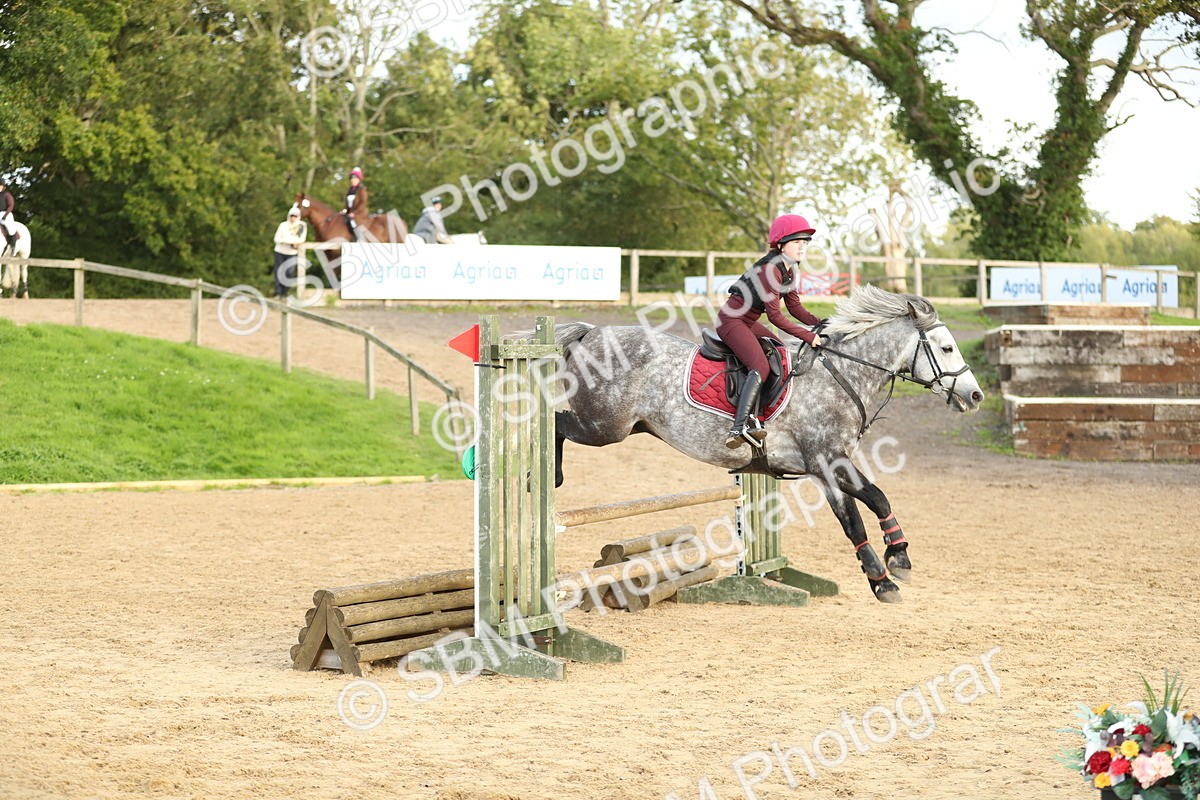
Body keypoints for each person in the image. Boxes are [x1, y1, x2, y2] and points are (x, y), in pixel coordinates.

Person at [716, 213, 825, 449]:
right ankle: (740, 426)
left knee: (780, 352)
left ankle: (759, 414)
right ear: (781, 244)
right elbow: (775, 316)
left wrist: (821, 323)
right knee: (760, 366)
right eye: (797, 242)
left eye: (805, 242)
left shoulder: (788, 270)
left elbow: (795, 307)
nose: (802, 247)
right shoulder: (770, 270)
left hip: (748, 321)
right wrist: (808, 336)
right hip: (732, 321)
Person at [272, 206, 307, 301]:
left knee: (290, 273)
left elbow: (301, 239)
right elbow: (277, 238)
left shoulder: (301, 226)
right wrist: (286, 241)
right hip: (280, 251)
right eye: (291, 216)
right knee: (278, 271)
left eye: (295, 216)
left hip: (292, 252)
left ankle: (284, 293)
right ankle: (277, 292)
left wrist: (292, 242)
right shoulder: (283, 225)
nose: (293, 218)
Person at [342, 167, 368, 242]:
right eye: (352, 178)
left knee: (352, 221)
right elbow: (348, 204)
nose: (353, 180)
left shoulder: (362, 189)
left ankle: (359, 237)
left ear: (359, 179)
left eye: (355, 178)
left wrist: (354, 213)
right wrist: (344, 210)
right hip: (350, 213)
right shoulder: (350, 190)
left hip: (359, 213)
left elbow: (363, 203)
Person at [0, 179, 16, 254]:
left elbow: (11, 205)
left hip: (5, 214)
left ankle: (12, 246)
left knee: (11, 229)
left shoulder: (6, 194)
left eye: (0, 185)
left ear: (3, 186)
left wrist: (5, 215)